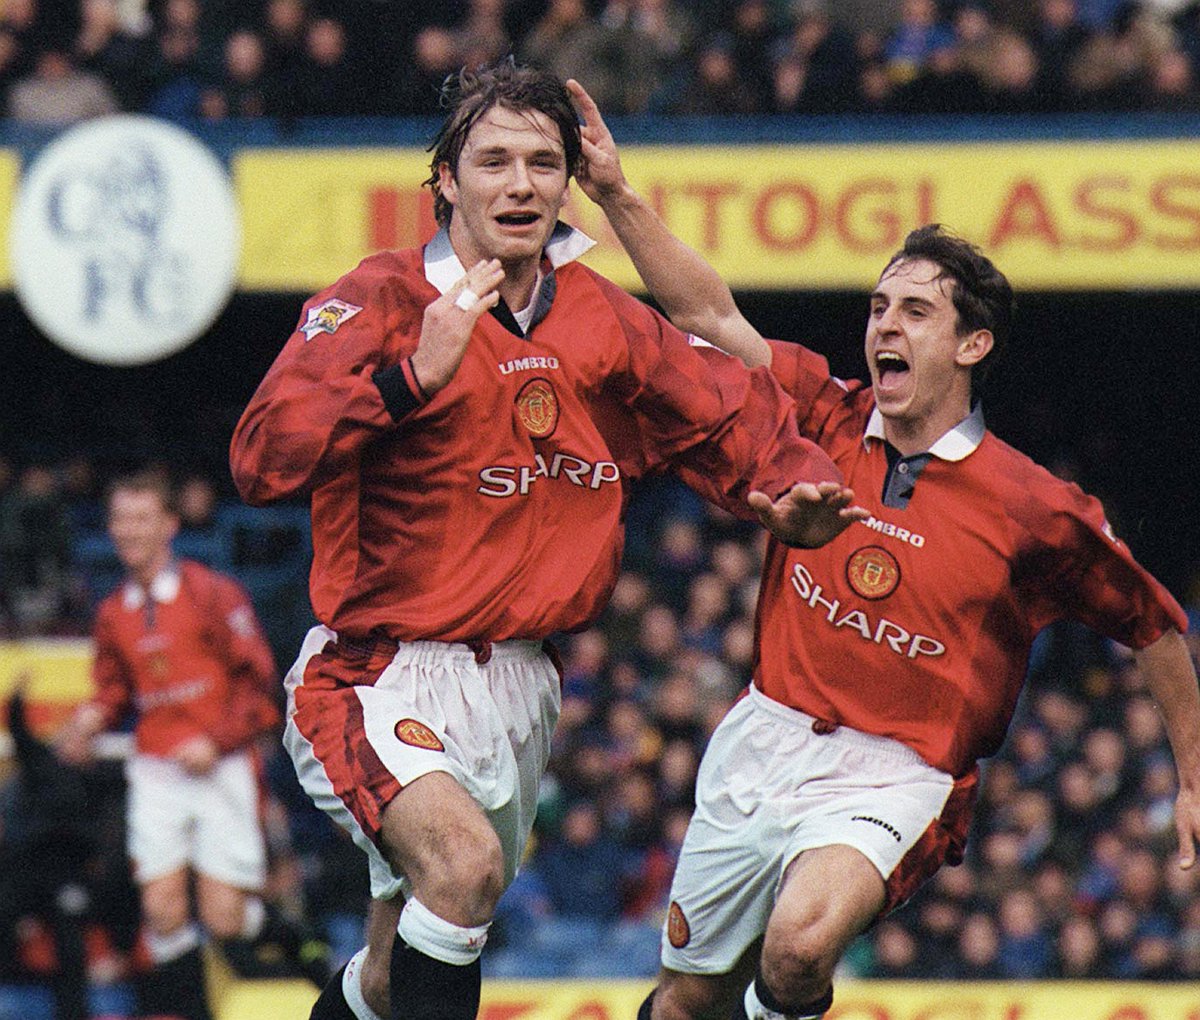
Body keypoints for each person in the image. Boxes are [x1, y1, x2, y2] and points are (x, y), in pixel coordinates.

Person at [228, 59, 866, 1020]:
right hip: (376, 671)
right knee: (463, 866)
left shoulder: (598, 311)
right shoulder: (380, 299)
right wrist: (407, 382)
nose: (519, 184)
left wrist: (788, 490)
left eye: (542, 162)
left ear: (568, 182)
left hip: (521, 684)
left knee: (398, 969)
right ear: (446, 178)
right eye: (492, 161)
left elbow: (724, 404)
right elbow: (261, 456)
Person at [566, 80, 1200, 1020]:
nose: (883, 327)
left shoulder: (1034, 508)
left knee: (798, 948)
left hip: (899, 773)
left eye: (914, 312)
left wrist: (1192, 780)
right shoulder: (823, 417)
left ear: (973, 343)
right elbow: (710, 316)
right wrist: (615, 193)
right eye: (877, 307)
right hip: (765, 738)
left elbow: (1155, 630)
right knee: (684, 1001)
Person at [56, 472, 326, 1020]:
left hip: (221, 767)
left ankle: (311, 949)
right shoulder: (113, 613)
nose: (127, 531)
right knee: (162, 911)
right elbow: (113, 693)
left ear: (169, 526)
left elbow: (259, 687)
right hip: (156, 771)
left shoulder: (213, 594)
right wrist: (88, 720)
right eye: (119, 519)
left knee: (225, 917)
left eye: (140, 518)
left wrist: (216, 740)